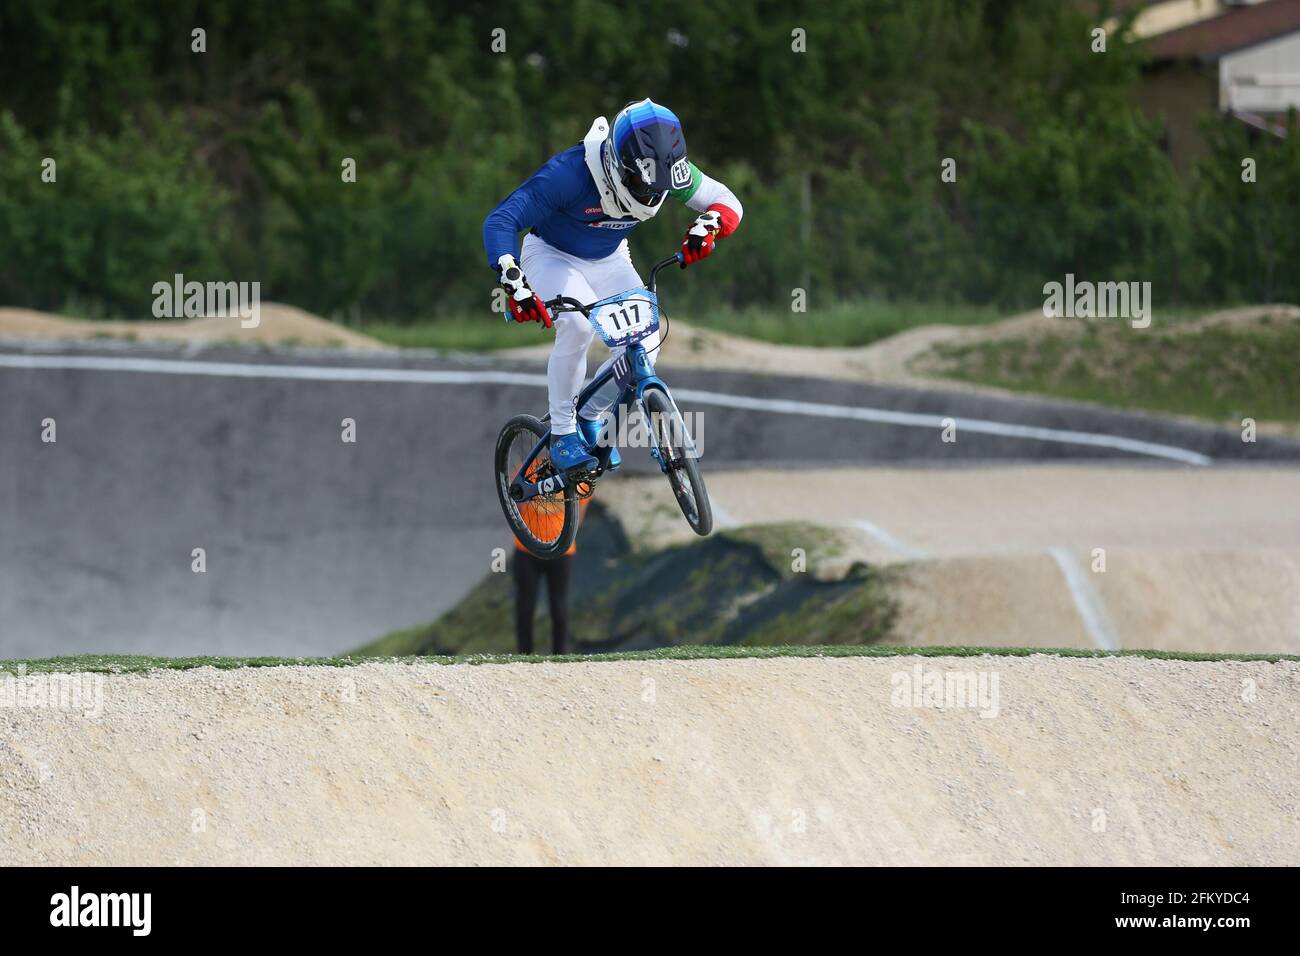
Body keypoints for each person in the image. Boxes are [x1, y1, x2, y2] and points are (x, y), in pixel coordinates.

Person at [483, 98, 743, 474]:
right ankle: (562, 433)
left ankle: (590, 415)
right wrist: (513, 281)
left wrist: (711, 224)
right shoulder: (570, 174)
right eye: (641, 182)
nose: (651, 193)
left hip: (610, 259)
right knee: (578, 325)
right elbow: (501, 219)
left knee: (647, 341)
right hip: (551, 256)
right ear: (618, 165)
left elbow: (725, 200)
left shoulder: (665, 169)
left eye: (662, 185)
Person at [512, 488, 590, 655]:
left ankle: (560, 657)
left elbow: (580, 513)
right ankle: (524, 657)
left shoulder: (577, 472)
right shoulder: (530, 467)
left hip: (562, 552)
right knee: (525, 607)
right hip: (526, 550)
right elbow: (515, 503)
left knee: (559, 607)